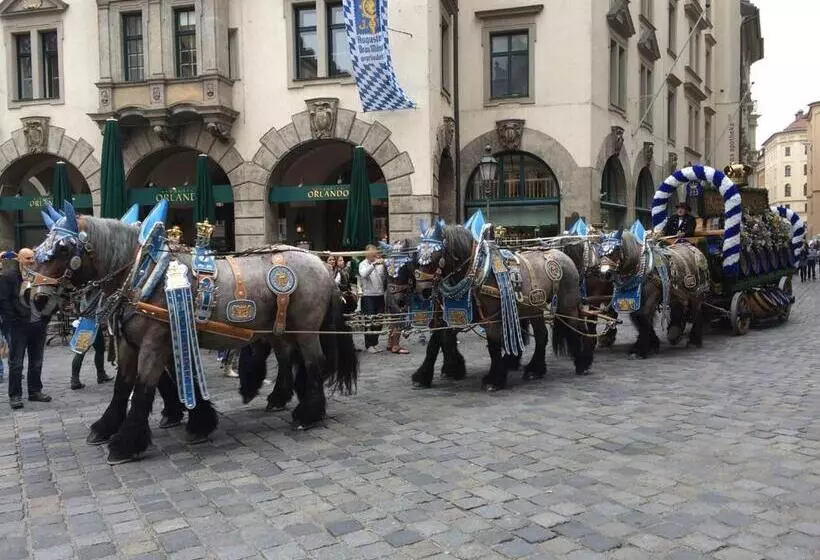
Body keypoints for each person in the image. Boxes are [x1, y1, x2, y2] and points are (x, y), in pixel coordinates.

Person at [0, 248, 51, 409]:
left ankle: (35, 391)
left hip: (38, 325)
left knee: (37, 361)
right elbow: (4, 301)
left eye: (33, 258)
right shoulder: (8, 276)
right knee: (16, 363)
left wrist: (45, 317)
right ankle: (15, 396)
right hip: (18, 326)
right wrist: (14, 320)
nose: (31, 260)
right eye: (28, 258)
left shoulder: (37, 275)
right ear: (19, 259)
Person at [358, 245, 386, 353]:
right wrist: (374, 264)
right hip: (368, 296)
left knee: (379, 321)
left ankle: (375, 343)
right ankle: (369, 345)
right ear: (366, 254)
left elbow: (384, 278)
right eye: (371, 253)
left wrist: (384, 264)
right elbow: (364, 274)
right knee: (369, 321)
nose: (374, 255)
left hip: (379, 296)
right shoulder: (362, 264)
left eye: (375, 252)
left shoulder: (380, 265)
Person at [69, 325, 113, 390]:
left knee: (81, 352)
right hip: (92, 325)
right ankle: (101, 375)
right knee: (98, 350)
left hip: (83, 325)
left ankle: (75, 380)